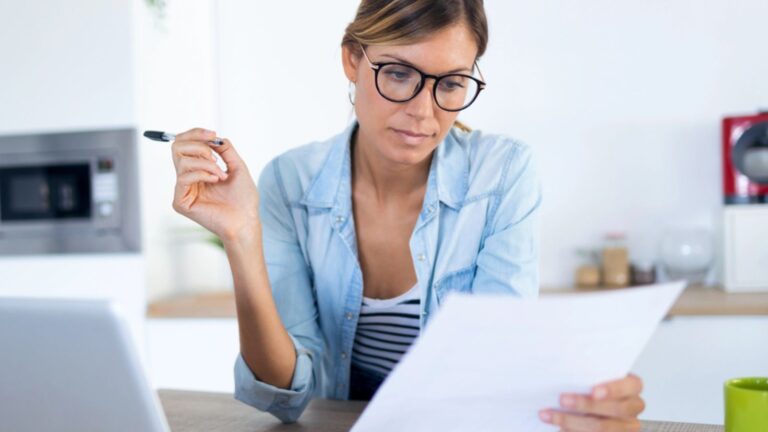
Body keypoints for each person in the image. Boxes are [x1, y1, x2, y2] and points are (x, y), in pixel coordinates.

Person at [170, 0, 645, 430]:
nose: (423, 111)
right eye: (398, 73)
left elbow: (500, 368)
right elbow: (284, 398)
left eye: (452, 83)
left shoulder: (501, 176)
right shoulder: (290, 183)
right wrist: (242, 239)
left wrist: (574, 397)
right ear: (352, 60)